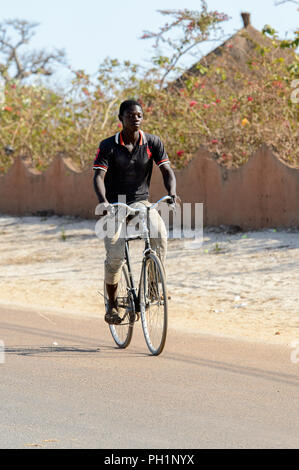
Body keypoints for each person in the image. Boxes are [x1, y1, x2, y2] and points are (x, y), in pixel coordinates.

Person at [93, 99, 178, 324]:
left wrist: (171, 193)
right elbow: (98, 177)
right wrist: (103, 203)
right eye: (130, 115)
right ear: (121, 118)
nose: (136, 118)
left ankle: (151, 287)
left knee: (159, 234)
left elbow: (167, 170)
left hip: (141, 202)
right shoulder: (108, 146)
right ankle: (111, 305)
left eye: (139, 115)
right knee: (115, 256)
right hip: (115, 204)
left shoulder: (153, 142)